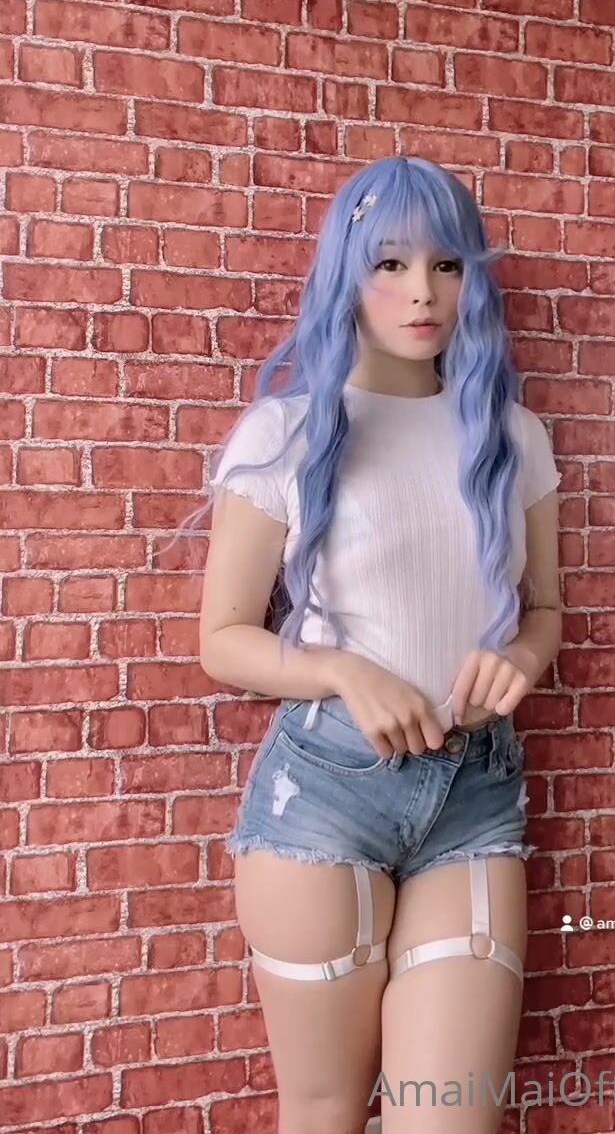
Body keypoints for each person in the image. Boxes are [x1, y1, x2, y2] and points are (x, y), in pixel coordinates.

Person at [192, 156, 562, 1133]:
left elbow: (546, 612)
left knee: (450, 1117)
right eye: (390, 263)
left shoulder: (512, 437)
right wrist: (341, 668)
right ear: (346, 275)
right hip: (327, 795)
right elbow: (222, 639)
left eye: (447, 265)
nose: (421, 292)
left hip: (474, 793)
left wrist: (520, 660)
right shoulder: (288, 432)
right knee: (322, 1112)